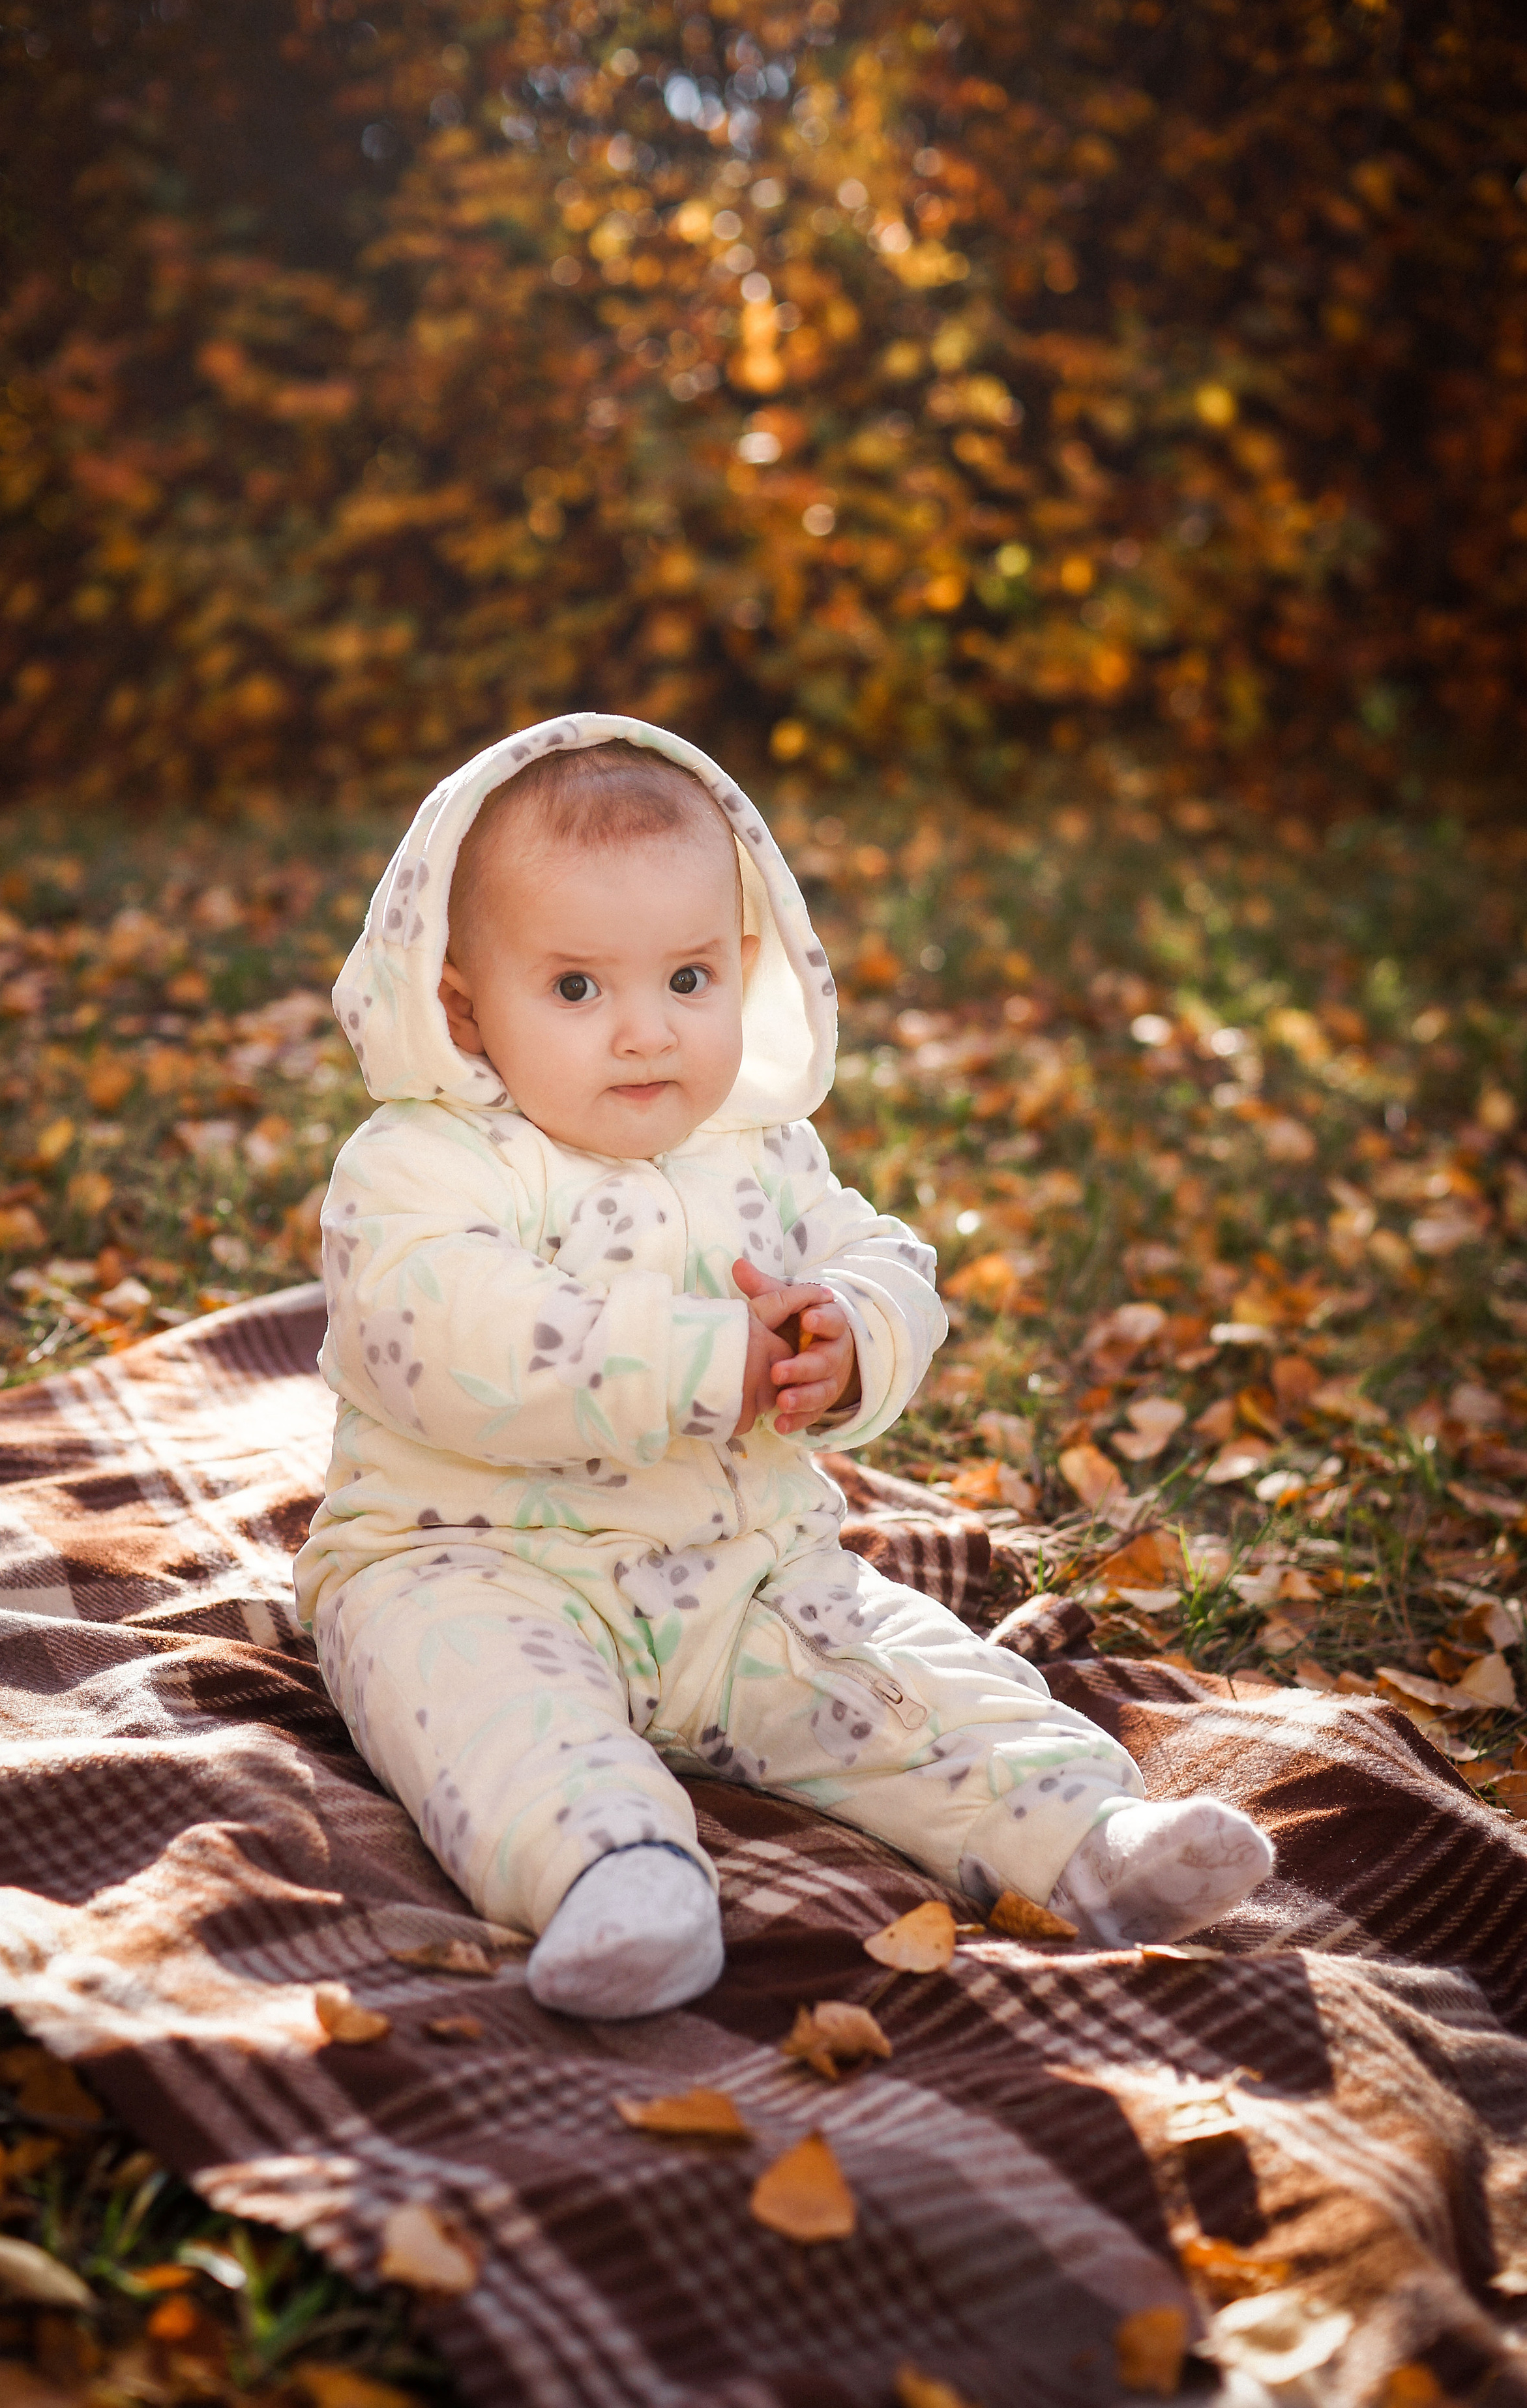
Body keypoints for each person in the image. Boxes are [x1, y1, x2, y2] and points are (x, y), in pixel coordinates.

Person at [293, 714, 1272, 2019]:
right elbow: (441, 1336)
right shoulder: (421, 1164)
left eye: (686, 980)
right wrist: (700, 1357)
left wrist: (851, 1333)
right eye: (578, 989)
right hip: (468, 1558)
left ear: (743, 971)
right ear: (464, 1008)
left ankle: (1081, 1838)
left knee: (906, 1678)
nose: (645, 1033)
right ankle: (613, 1874)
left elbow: (886, 1258)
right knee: (478, 1706)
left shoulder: (756, 1154)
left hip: (743, 1579)